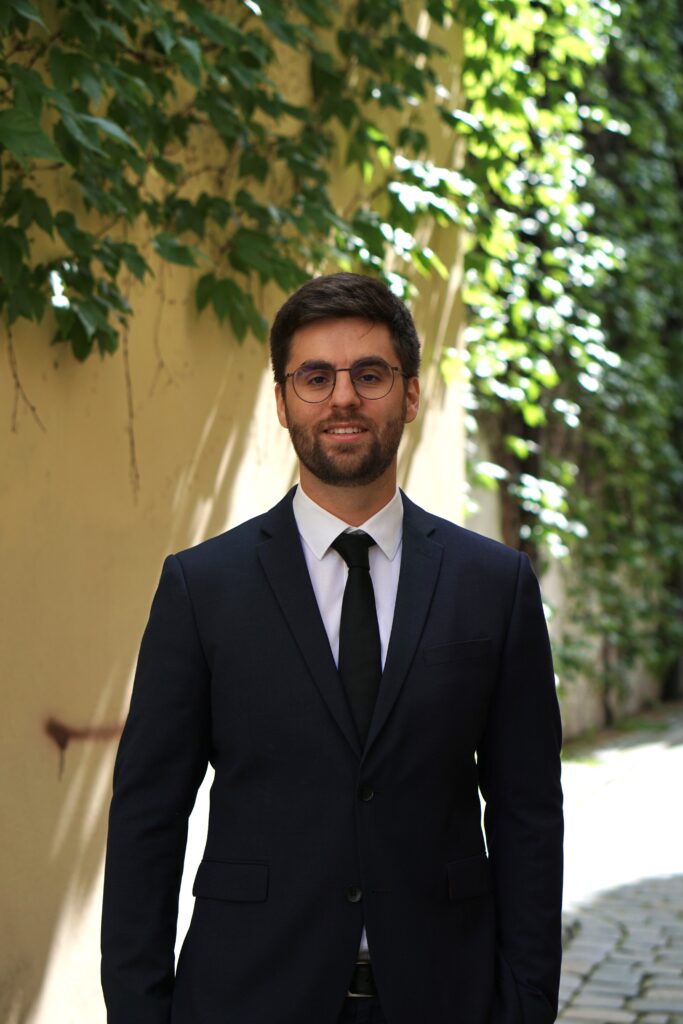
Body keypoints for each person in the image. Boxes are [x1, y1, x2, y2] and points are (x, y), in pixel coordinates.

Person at [101, 272, 563, 1024]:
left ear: (409, 395)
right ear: (282, 402)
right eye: (315, 378)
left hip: (448, 995)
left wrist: (527, 1002)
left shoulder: (494, 585)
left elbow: (528, 813)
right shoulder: (200, 588)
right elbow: (147, 818)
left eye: (369, 375)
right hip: (245, 998)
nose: (342, 397)